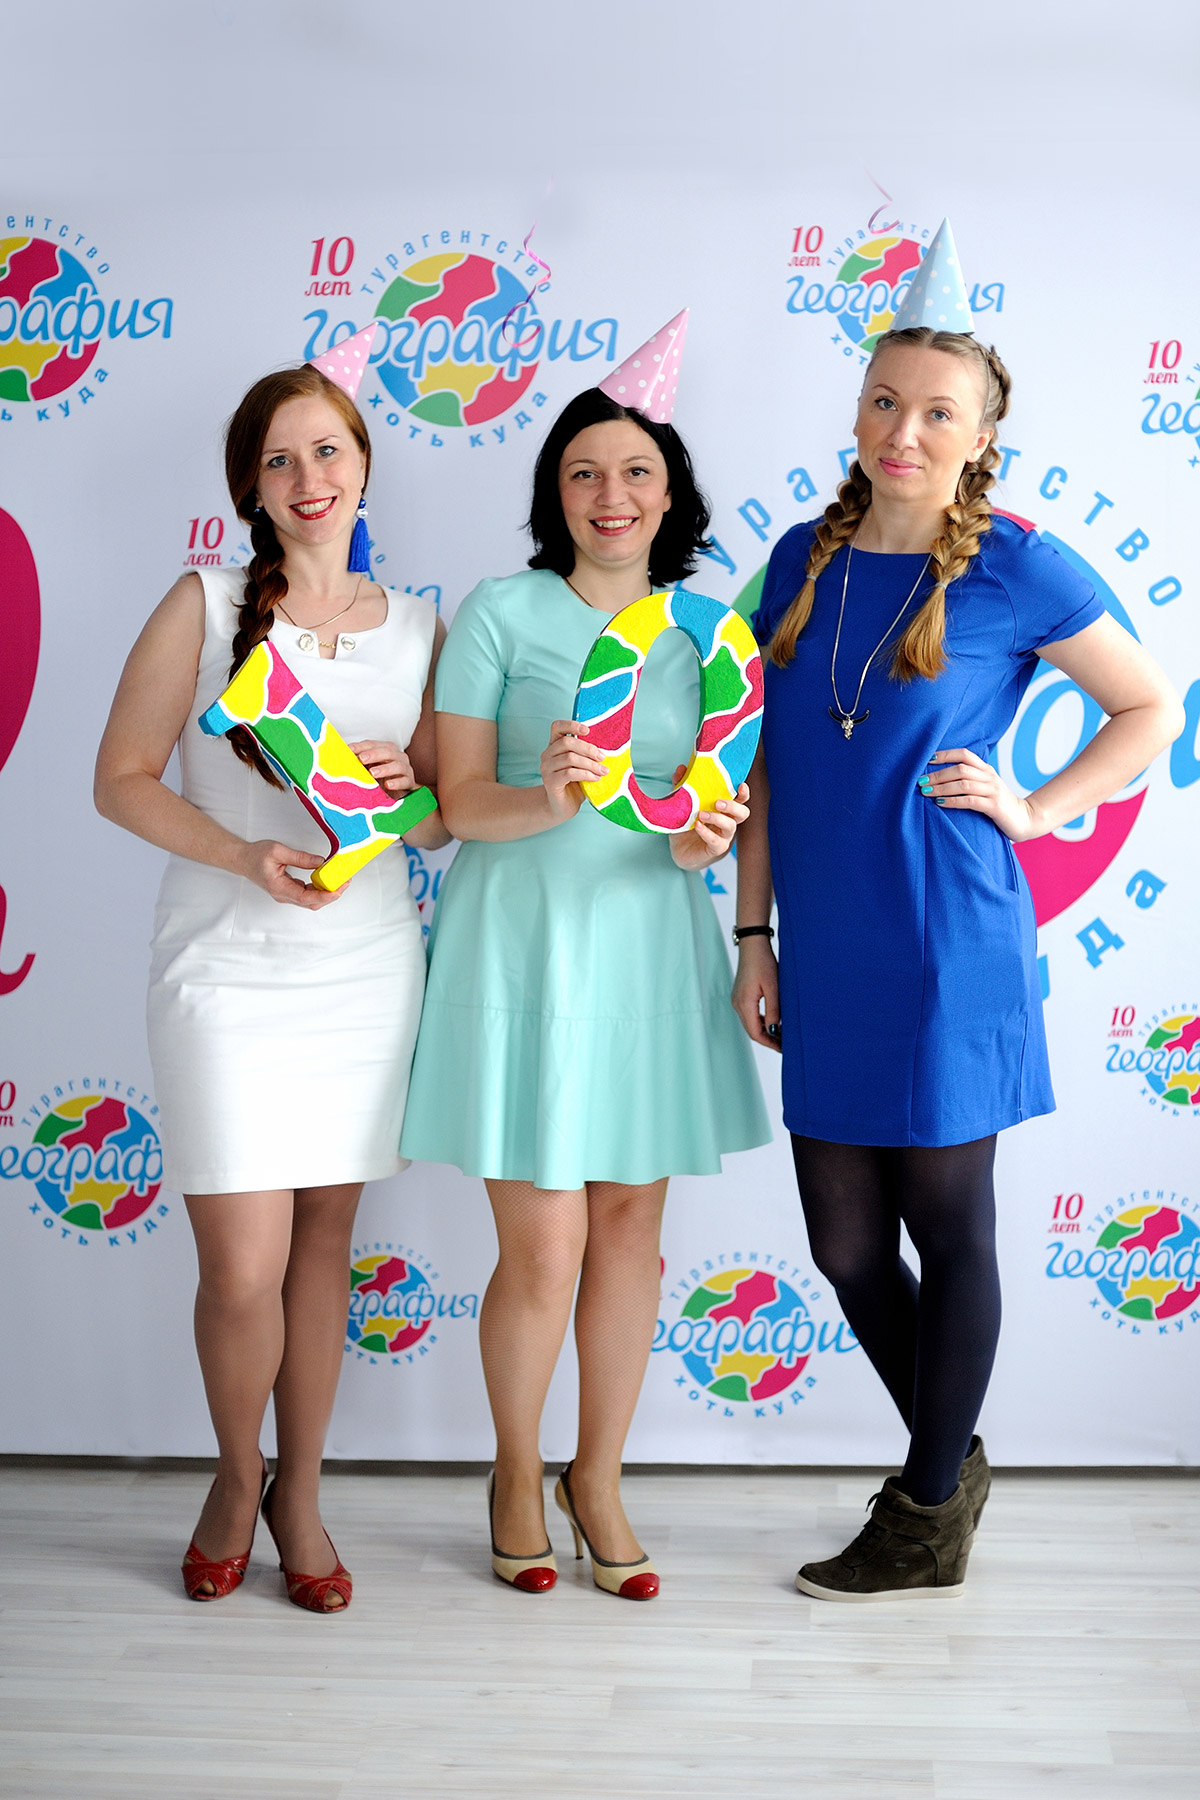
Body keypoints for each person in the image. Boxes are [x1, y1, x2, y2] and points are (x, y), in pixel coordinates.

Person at [733, 301, 1183, 1601]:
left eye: (939, 411)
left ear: (982, 437)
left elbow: (1149, 706)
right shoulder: (799, 559)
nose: (905, 429)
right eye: (886, 401)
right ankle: (949, 1465)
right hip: (829, 945)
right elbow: (758, 765)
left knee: (948, 1223)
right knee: (844, 1246)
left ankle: (926, 1508)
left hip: (950, 935)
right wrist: (753, 934)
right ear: (858, 412)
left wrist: (1037, 808)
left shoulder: (1017, 567)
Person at [401, 321, 770, 1600]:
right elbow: (456, 804)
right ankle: (516, 1470)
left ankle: (597, 1476)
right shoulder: (500, 613)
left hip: (651, 946)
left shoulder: (710, 632)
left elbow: (705, 808)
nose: (611, 496)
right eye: (583, 473)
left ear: (671, 494)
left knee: (629, 1236)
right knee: (543, 1246)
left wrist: (702, 840)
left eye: (635, 473)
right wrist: (547, 795)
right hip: (523, 946)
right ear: (554, 493)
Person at [94, 351, 448, 1611]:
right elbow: (119, 778)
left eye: (328, 450)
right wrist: (243, 854)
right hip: (225, 969)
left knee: (323, 1246)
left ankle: (301, 1491)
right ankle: (236, 1474)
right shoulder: (201, 603)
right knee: (242, 1267)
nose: (308, 476)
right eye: (279, 458)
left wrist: (408, 792)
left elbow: (443, 818)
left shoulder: (420, 627)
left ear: (365, 465)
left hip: (365, 967)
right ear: (250, 485)